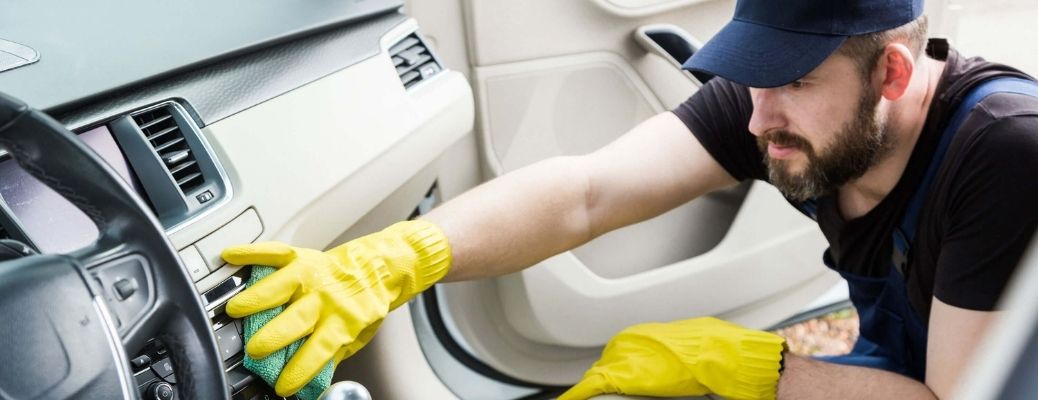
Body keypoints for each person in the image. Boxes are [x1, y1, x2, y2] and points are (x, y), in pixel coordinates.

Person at [220, 0, 1038, 398]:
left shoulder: (1004, 153)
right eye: (753, 76)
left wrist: (752, 367)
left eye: (791, 82)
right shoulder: (778, 107)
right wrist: (400, 258)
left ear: (891, 74)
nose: (758, 119)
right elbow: (587, 193)